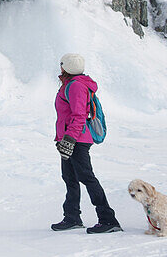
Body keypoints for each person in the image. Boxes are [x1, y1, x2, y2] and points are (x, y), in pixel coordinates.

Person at [51, 53, 122, 234]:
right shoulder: (71, 85)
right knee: (70, 178)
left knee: (86, 177)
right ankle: (72, 217)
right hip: (69, 138)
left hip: (77, 140)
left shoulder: (76, 86)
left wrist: (70, 139)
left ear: (64, 67)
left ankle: (108, 219)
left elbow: (79, 115)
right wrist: (62, 138)